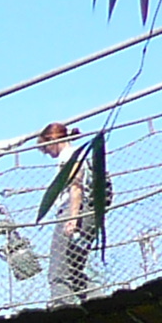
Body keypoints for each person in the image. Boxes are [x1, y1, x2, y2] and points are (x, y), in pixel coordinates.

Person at [38, 120, 106, 300]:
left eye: (46, 148)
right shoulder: (79, 155)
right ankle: (99, 301)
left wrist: (72, 219)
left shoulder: (69, 156)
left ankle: (62, 311)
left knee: (58, 273)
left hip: (72, 211)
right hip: (89, 212)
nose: (47, 153)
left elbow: (76, 187)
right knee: (74, 269)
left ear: (52, 140)